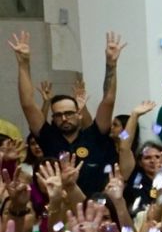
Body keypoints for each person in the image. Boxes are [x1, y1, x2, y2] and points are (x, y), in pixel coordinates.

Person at [9, 29, 124, 196]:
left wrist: (111, 66)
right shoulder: (48, 137)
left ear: (78, 113)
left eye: (69, 113)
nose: (64, 118)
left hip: (95, 206)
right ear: (53, 118)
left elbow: (108, 100)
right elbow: (27, 104)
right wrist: (23, 63)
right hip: (59, 208)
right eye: (58, 115)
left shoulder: (95, 134)